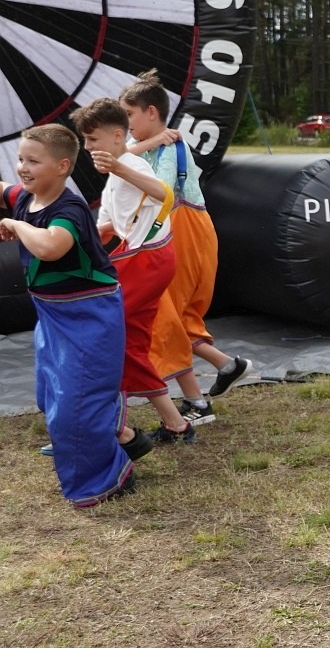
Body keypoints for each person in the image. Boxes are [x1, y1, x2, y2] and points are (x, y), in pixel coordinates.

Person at [0, 124, 150, 506]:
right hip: (51, 313)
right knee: (51, 395)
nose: (23, 167)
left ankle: (107, 478)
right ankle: (126, 439)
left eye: (33, 161)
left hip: (89, 315)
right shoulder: (24, 196)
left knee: (75, 404)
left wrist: (15, 224)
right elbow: (3, 188)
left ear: (63, 166)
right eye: (20, 159)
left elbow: (51, 247)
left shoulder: (69, 209)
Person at [120, 69, 251, 420]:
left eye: (129, 114)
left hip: (183, 234)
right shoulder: (151, 148)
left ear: (151, 112)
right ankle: (226, 365)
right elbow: (124, 159)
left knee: (166, 317)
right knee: (178, 315)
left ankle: (196, 402)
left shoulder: (172, 146)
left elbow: (160, 191)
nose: (126, 122)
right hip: (185, 233)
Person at [69, 98, 197, 445]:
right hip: (143, 256)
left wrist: (121, 167)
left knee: (105, 334)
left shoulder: (130, 165)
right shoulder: (117, 173)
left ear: (115, 136)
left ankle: (109, 427)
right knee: (131, 343)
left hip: (149, 257)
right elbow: (111, 226)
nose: (88, 148)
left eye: (93, 140)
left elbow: (165, 194)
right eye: (85, 141)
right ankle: (176, 424)